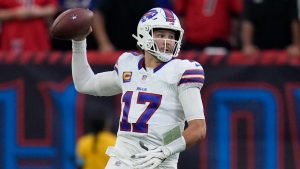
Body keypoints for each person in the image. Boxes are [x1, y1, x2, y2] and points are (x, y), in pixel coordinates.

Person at [71, 7, 206, 168]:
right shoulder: (128, 64)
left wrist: (165, 150)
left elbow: (198, 129)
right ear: (144, 34)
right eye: (161, 35)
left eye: (171, 36)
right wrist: (78, 42)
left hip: (158, 162)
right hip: (121, 160)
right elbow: (85, 83)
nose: (168, 41)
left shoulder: (183, 70)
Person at [174, 0, 243, 51]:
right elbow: (180, 13)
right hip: (193, 42)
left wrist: (234, 38)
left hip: (219, 42)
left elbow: (236, 13)